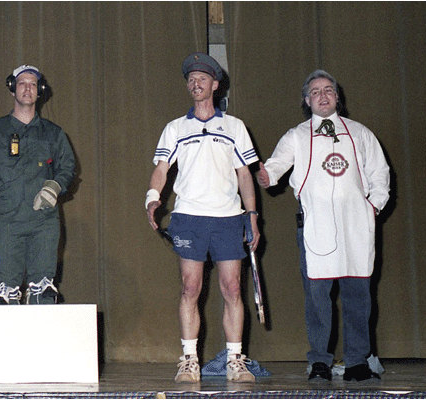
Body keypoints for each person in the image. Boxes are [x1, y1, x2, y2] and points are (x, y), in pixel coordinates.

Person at [256, 70, 389, 382]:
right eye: (315, 91)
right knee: (317, 298)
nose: (323, 95)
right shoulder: (297, 135)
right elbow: (276, 165)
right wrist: (266, 175)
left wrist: (373, 206)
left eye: (328, 90)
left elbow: (379, 172)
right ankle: (319, 361)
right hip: (315, 226)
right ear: (307, 100)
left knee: (358, 296)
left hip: (356, 225)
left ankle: (357, 361)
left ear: (337, 97)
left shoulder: (359, 132)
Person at [145, 53, 260, 383]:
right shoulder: (175, 128)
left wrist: (252, 216)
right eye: (191, 79)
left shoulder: (235, 126)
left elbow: (244, 175)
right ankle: (189, 360)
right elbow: (161, 169)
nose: (196, 83)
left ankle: (235, 361)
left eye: (202, 78)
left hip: (228, 219)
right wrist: (152, 198)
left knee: (232, 288)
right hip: (189, 219)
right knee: (190, 287)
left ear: (215, 84)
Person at [0, 65, 76, 305]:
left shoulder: (53, 134)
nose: (28, 88)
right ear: (12, 89)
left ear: (40, 90)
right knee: (6, 295)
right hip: (5, 221)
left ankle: (40, 302)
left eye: (33, 84)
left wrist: (54, 187)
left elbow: (67, 168)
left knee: (43, 293)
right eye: (22, 83)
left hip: (42, 220)